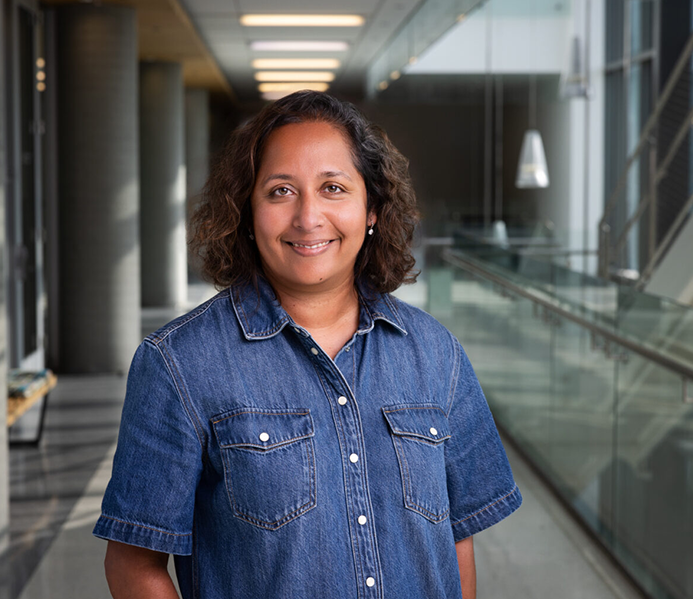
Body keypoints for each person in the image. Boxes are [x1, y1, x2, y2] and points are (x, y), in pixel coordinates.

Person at [93, 90, 521, 599]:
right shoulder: (178, 364)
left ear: (372, 210)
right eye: (280, 191)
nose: (307, 217)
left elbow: (457, 537)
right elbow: (133, 563)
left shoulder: (436, 354)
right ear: (247, 211)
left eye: (334, 187)